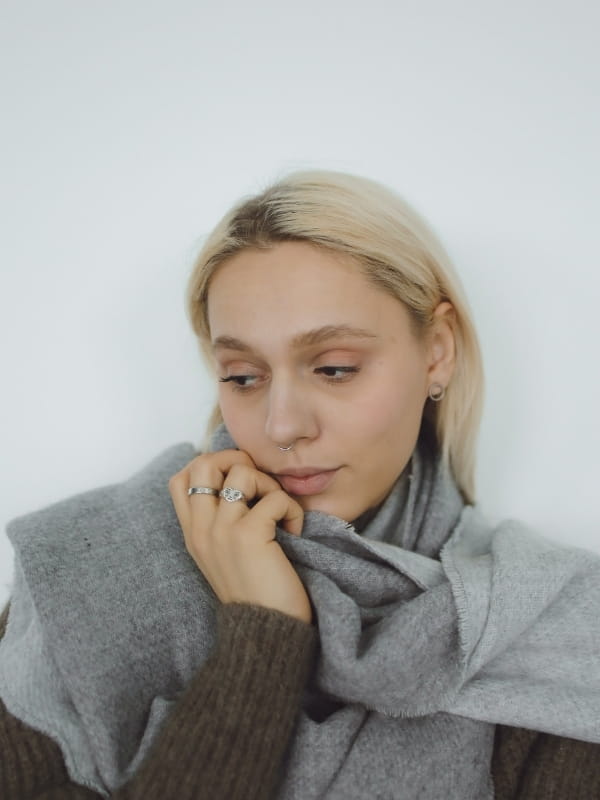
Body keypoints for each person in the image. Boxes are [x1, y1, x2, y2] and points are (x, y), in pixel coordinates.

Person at [1, 170, 599, 800]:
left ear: (438, 351)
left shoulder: (553, 629)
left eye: (335, 368)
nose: (283, 425)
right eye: (242, 376)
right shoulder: (89, 570)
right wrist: (261, 634)